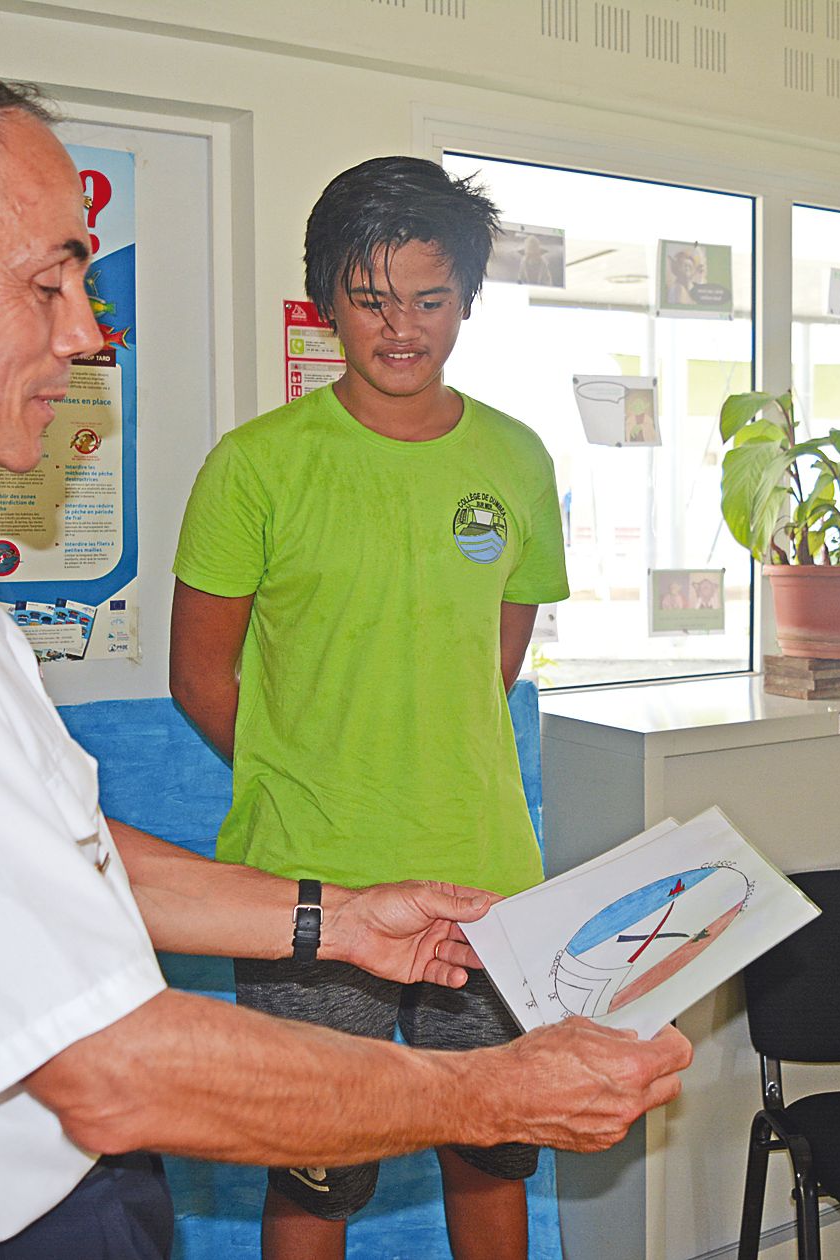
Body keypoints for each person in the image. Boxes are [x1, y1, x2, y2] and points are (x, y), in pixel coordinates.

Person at [0, 58, 689, 1260]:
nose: (87, 327)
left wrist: (333, 919)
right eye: (51, 275)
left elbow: (45, 854)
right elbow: (108, 1069)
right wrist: (491, 1092)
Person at [168, 155, 585, 1260]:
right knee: (316, 1175)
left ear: (467, 302)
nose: (402, 328)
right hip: (307, 885)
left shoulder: (517, 459)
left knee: (490, 1146)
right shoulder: (254, 467)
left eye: (431, 300)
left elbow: (491, 664)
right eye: (371, 299)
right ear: (325, 302)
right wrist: (313, 770)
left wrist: (417, 755)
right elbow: (202, 676)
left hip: (484, 880)